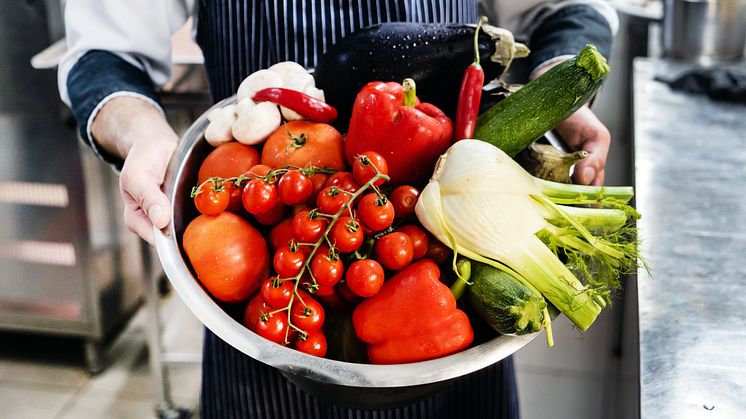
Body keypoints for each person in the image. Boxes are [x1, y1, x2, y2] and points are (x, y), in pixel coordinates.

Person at [59, 1, 618, 418]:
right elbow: (104, 53)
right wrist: (142, 137)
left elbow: (563, 9)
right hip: (268, 326)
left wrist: (557, 90)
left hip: (452, 349)